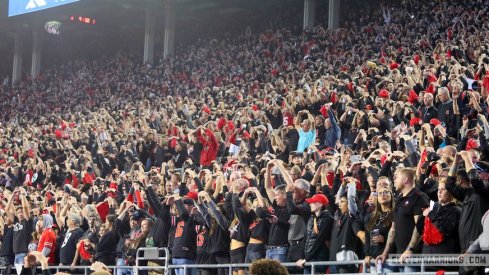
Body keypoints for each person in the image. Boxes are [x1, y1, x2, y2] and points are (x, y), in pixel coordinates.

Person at [377, 168, 429, 272]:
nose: (394, 180)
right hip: (398, 256)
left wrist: (410, 249)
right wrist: (385, 253)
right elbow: (393, 229)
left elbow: (420, 227)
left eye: (397, 177)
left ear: (405, 180)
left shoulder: (419, 197)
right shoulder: (398, 200)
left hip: (414, 257)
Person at [296, 193, 333, 274]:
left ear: (320, 204)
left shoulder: (327, 218)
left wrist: (306, 259)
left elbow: (319, 240)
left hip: (319, 258)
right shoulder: (311, 218)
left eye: (312, 202)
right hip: (309, 258)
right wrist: (302, 257)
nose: (310, 204)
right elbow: (305, 238)